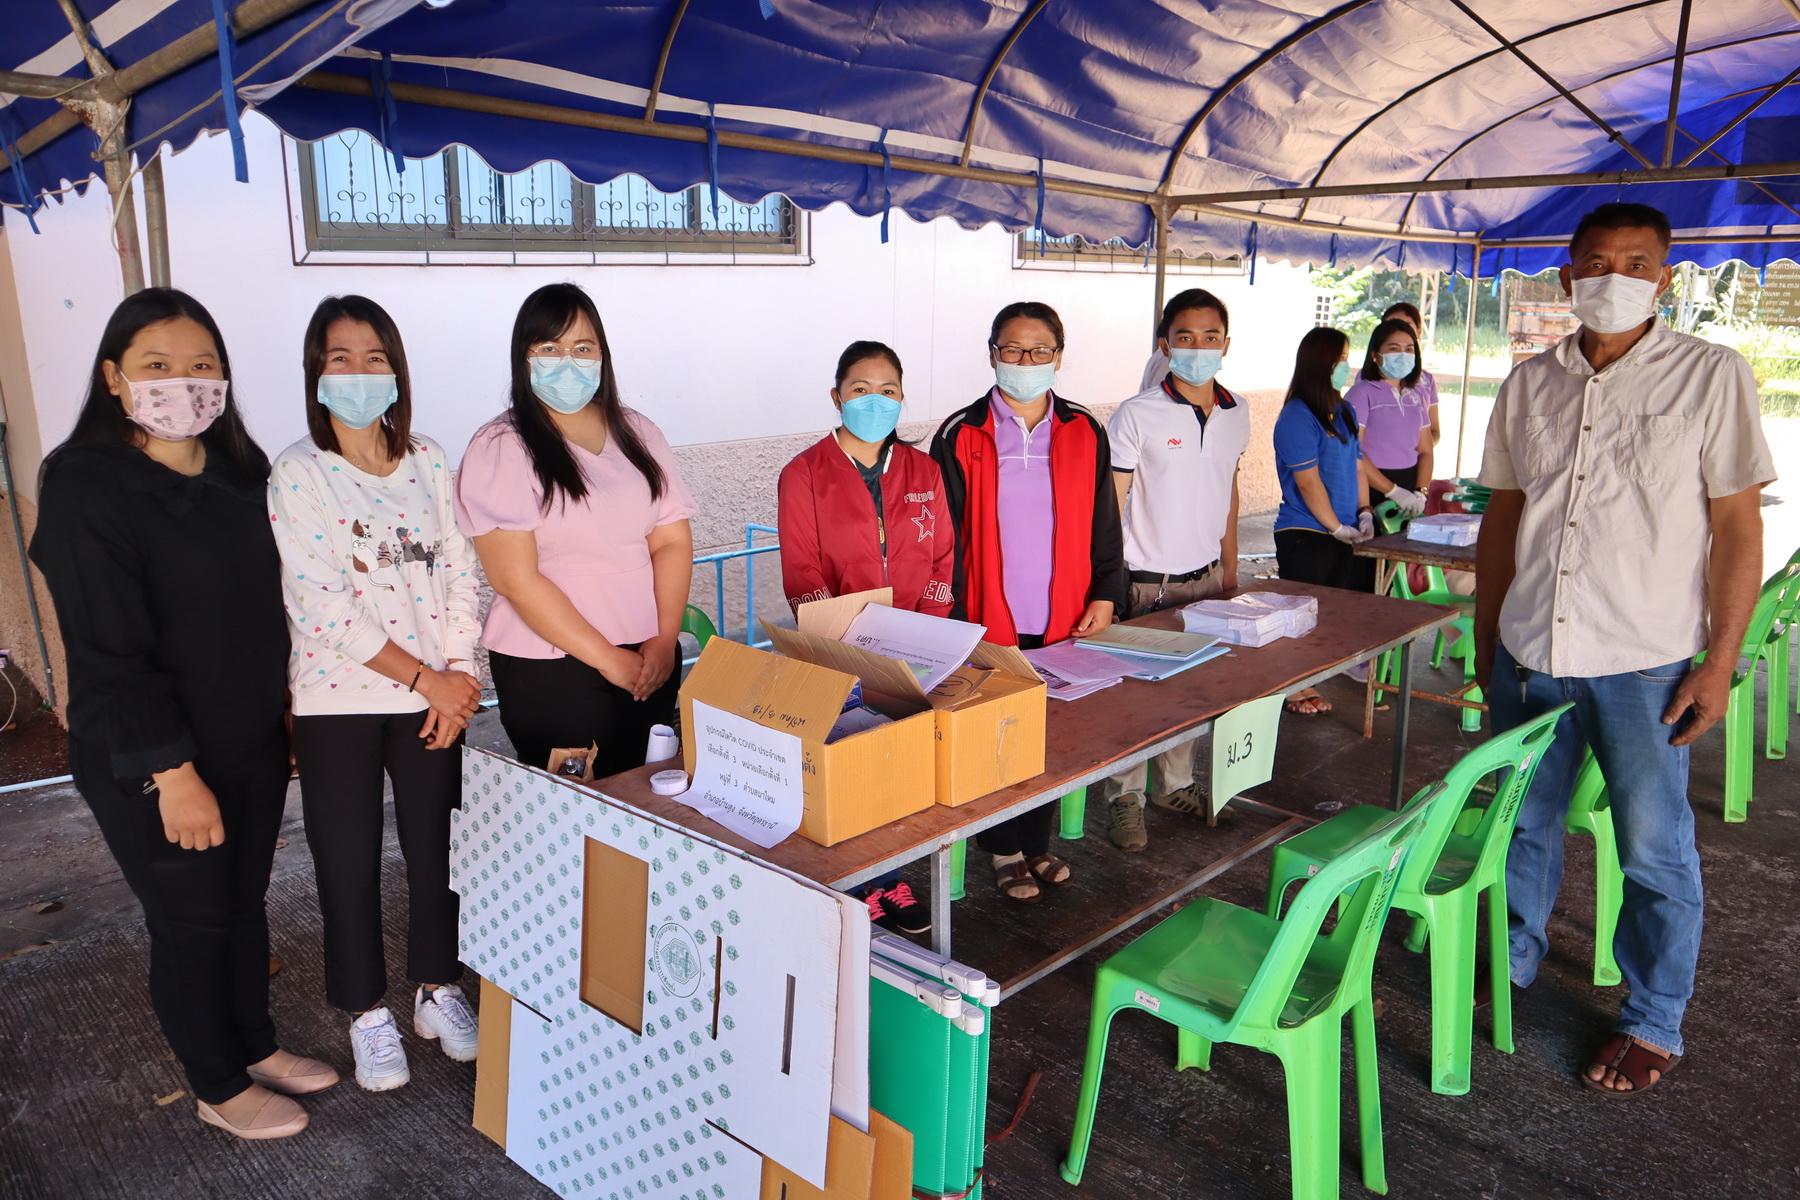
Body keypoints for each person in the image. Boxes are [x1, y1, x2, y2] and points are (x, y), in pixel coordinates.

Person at [1474, 202, 1774, 1096]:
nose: (1615, 278)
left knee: (1653, 848)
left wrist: (1720, 662)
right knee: (1519, 825)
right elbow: (1504, 519)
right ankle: (1512, 959)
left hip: (1646, 663)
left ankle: (1654, 1018)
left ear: (1665, 278)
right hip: (1531, 652)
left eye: (1637, 263)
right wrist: (1488, 638)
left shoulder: (1711, 375)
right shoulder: (1529, 383)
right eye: (1597, 263)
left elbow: (1737, 527)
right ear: (1569, 276)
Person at [30, 288, 334, 1140]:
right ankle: (216, 1082)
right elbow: (108, 653)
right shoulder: (87, 483)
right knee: (192, 920)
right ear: (113, 377)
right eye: (157, 365)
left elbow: (273, 606)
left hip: (249, 738)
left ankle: (253, 1043)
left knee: (242, 902)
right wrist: (172, 773)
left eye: (202, 365)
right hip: (154, 758)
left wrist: (286, 711)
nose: (183, 383)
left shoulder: (240, 472)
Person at [267, 295, 484, 1092]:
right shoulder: (298, 472)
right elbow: (320, 606)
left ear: (396, 370)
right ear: (316, 373)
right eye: (341, 359)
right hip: (339, 702)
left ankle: (437, 986)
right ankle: (365, 1010)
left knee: (438, 850)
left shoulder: (428, 458)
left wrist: (458, 676)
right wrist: (429, 678)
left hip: (434, 697)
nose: (359, 373)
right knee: (347, 860)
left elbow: (460, 570)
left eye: (375, 358)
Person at [457, 283, 697, 777]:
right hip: (553, 665)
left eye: (583, 347)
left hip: (648, 656)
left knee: (643, 792)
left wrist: (663, 639)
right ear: (523, 358)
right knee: (578, 807)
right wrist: (607, 659)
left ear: (602, 356)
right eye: (549, 348)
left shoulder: (638, 432)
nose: (568, 361)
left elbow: (671, 540)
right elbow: (515, 579)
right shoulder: (502, 445)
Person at [931, 300, 1126, 901]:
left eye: (1040, 350)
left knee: (1049, 736)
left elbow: (1105, 520)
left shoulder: (1084, 428)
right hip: (988, 617)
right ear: (992, 354)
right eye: (1012, 349)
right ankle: (1003, 849)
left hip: (1064, 614)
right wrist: (954, 621)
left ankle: (1037, 842)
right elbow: (944, 539)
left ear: (1058, 357)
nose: (1025, 360)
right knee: (997, 735)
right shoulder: (960, 433)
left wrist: (1107, 591)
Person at [777, 340, 951, 934]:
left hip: (913, 649)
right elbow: (802, 572)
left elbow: (942, 556)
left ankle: (893, 875)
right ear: (837, 397)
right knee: (850, 766)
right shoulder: (804, 474)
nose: (874, 401)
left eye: (887, 390)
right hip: (840, 649)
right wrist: (843, 638)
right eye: (860, 389)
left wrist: (926, 629)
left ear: (902, 398)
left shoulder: (924, 471)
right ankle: (857, 885)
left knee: (899, 768)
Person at [1097, 288, 1250, 852]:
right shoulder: (1137, 414)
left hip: (1205, 580)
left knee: (1192, 691)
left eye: (1211, 337)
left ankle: (1175, 786)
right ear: (1165, 345)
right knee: (1133, 698)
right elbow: (1109, 506)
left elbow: (1229, 491)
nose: (1198, 348)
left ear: (1226, 345)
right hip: (1145, 583)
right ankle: (1125, 798)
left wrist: (1230, 568)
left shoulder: (1237, 412)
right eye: (1185, 337)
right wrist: (1105, 585)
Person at [1271, 326, 1373, 715]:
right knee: (1300, 615)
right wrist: (1334, 527)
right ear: (1321, 362)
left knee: (1327, 617)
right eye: (1341, 359)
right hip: (1306, 531)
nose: (1346, 366)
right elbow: (1308, 482)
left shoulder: (1343, 409)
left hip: (1342, 532)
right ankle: (1293, 686)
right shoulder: (1297, 416)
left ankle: (1306, 679)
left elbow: (1358, 466)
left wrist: (1365, 512)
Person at [1344, 318, 1433, 518]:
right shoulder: (1361, 393)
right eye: (1394, 349)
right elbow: (1353, 452)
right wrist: (1392, 491)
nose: (1403, 355)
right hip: (1369, 490)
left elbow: (1426, 450)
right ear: (1375, 354)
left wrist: (1421, 492)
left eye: (1409, 349)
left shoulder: (1418, 394)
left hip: (1410, 492)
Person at [1383, 301, 1441, 449]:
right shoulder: (1366, 382)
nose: (1400, 331)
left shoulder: (1426, 380)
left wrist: (1416, 451)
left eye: (1407, 326)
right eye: (1392, 326)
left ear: (1419, 332)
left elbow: (1434, 431)